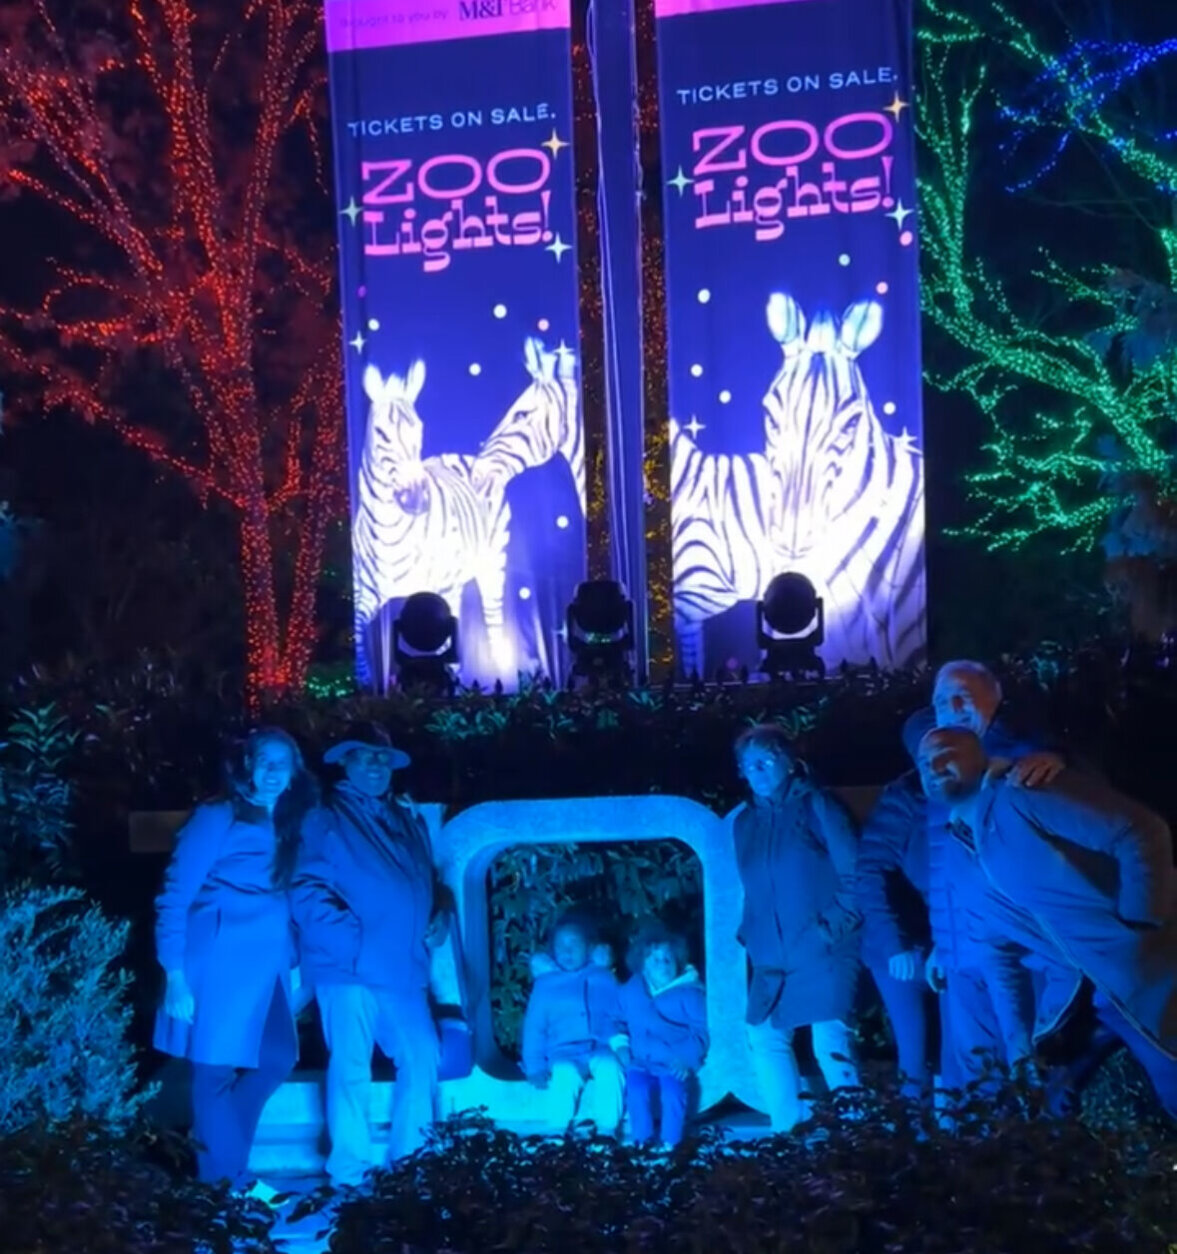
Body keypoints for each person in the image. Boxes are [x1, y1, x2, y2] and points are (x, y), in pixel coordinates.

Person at [918, 726, 1177, 1118]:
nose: (934, 766)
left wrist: (1141, 928)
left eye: (946, 752)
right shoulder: (957, 856)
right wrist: (1019, 1046)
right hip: (1073, 994)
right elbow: (997, 954)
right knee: (1049, 1105)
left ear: (980, 754)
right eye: (923, 762)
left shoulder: (1025, 793)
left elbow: (1142, 831)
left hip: (1142, 974)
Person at [154, 727, 316, 1196]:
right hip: (219, 961)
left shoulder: (288, 821)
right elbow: (174, 895)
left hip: (267, 967)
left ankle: (222, 1169)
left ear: (294, 772)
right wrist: (175, 975)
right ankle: (228, 1186)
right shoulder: (218, 815)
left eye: (282, 763)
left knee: (278, 1056)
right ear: (247, 766)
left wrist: (295, 959)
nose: (273, 771)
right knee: (214, 1071)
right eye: (264, 761)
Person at [291, 723, 448, 1187]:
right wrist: (355, 947)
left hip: (402, 969)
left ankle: (412, 1165)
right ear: (346, 763)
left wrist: (440, 911)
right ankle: (349, 1173)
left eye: (383, 757)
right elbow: (306, 891)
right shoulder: (323, 818)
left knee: (422, 1055)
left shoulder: (406, 817)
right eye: (365, 757)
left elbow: (427, 880)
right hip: (349, 970)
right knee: (351, 1067)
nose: (376, 765)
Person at [911, 661, 1068, 1098]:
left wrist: (1058, 759)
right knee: (981, 1081)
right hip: (962, 955)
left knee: (1042, 1072)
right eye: (941, 701)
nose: (952, 707)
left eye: (963, 696)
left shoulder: (1029, 763)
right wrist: (941, 940)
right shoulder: (939, 769)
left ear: (994, 699)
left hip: (1027, 956)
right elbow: (945, 867)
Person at [731, 724, 862, 1133]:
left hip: (825, 950)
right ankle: (787, 1135)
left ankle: (861, 1138)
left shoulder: (819, 806)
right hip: (772, 956)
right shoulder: (744, 823)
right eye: (748, 765)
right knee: (764, 1036)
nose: (757, 771)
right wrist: (750, 934)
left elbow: (856, 876)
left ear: (789, 762)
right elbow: (752, 889)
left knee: (831, 1041)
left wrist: (828, 930)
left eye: (766, 760)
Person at [858, 713, 934, 1099]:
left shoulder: (974, 788)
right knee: (915, 1053)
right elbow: (870, 871)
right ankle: (916, 1131)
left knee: (963, 1049)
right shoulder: (904, 800)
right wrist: (894, 943)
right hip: (905, 949)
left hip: (948, 944)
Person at [521, 916, 626, 1135]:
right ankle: (557, 1130)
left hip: (601, 1047)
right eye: (561, 946)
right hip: (563, 1051)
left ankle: (607, 1130)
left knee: (610, 1068)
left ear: (588, 948)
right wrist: (535, 1066)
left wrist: (622, 1045)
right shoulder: (545, 985)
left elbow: (620, 1013)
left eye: (574, 944)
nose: (567, 952)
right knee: (564, 1074)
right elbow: (534, 1028)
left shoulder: (603, 977)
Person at [615, 923, 709, 1147]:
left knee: (672, 1093)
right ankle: (642, 1140)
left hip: (672, 1062)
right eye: (655, 960)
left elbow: (701, 1031)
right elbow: (616, 1019)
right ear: (643, 965)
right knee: (636, 1090)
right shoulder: (631, 990)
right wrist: (621, 1045)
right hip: (640, 1060)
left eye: (668, 959)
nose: (663, 965)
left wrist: (685, 1059)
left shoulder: (690, 993)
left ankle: (671, 1142)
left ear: (678, 962)